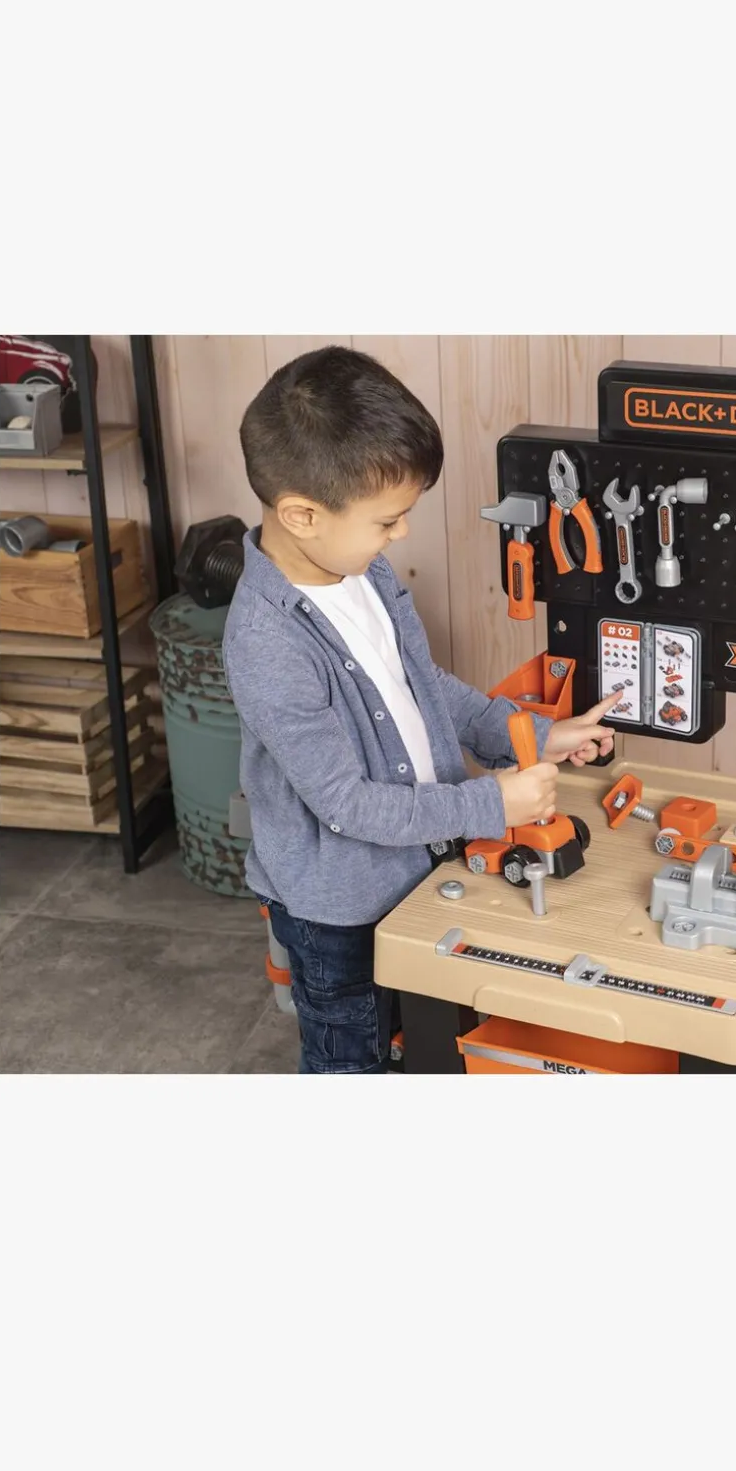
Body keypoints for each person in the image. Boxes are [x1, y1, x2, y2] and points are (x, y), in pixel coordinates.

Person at [223, 345, 620, 1073]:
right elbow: (348, 805)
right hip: (340, 914)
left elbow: (420, 685)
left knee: (427, 1043)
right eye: (387, 520)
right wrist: (491, 803)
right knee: (354, 1062)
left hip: (419, 871)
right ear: (302, 515)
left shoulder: (361, 570)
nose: (400, 534)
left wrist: (533, 735)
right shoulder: (268, 643)